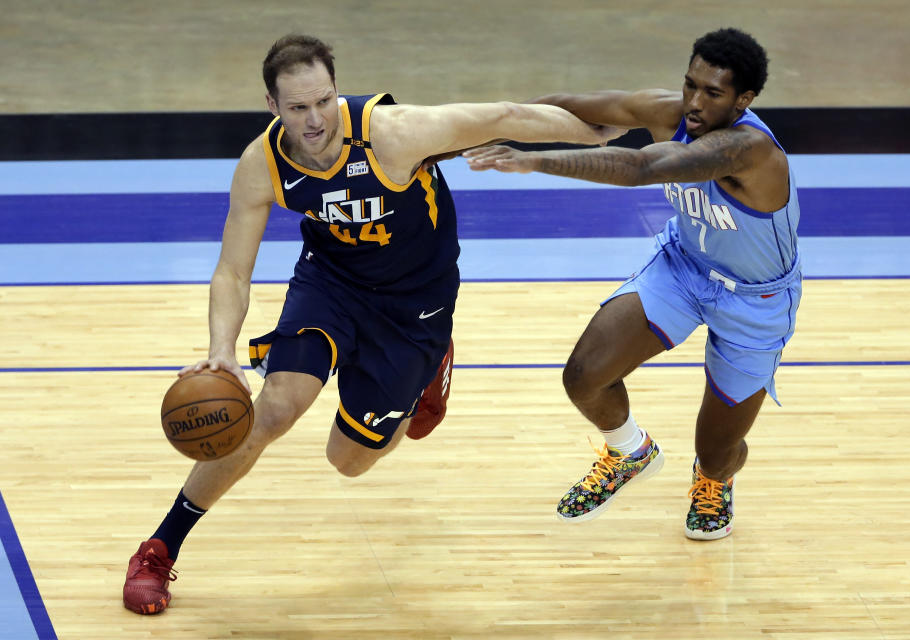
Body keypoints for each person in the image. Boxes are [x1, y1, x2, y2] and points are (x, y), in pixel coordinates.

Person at [123, 34, 618, 615]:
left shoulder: (393, 133)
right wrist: (221, 349)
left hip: (415, 304)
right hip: (330, 285)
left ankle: (427, 370)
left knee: (349, 460)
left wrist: (600, 136)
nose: (315, 120)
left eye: (324, 101)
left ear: (337, 90)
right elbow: (232, 270)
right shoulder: (262, 163)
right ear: (272, 106)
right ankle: (159, 548)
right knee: (273, 409)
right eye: (298, 107)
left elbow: (504, 115)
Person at [465, 28, 801, 540]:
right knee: (584, 376)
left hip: (755, 300)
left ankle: (714, 479)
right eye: (690, 84)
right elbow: (566, 106)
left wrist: (536, 160)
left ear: (744, 100)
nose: (694, 101)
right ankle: (630, 450)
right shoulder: (670, 111)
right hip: (683, 266)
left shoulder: (748, 150)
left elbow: (645, 166)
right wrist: (481, 131)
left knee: (717, 451)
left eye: (712, 93)